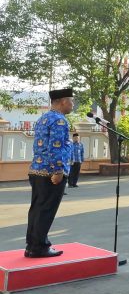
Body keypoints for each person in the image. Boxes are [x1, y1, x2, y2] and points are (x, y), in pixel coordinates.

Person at [25, 87, 74, 258]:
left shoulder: (43, 118)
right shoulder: (59, 120)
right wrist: (58, 170)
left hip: (37, 170)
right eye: (71, 101)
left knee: (36, 209)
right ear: (63, 101)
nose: (72, 105)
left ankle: (31, 246)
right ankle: (40, 247)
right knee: (46, 211)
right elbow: (56, 147)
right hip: (51, 173)